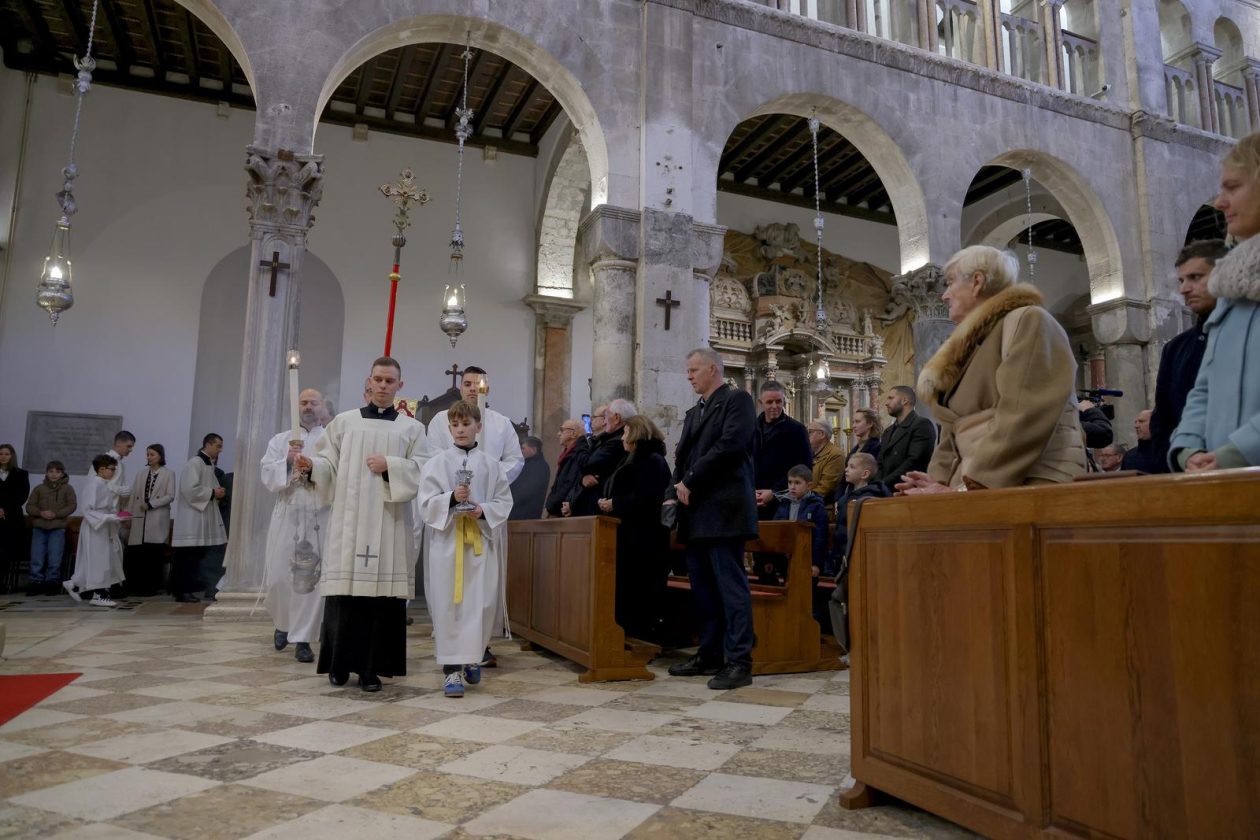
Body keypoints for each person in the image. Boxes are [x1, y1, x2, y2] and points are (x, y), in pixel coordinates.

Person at [899, 245, 1086, 493]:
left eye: (951, 282)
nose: (944, 295)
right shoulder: (967, 346)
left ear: (977, 282)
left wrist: (969, 488)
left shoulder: (1029, 321)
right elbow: (951, 426)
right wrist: (937, 482)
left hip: (1029, 481)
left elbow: (1025, 412)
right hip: (978, 483)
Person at [297, 357, 428, 692]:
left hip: (389, 522)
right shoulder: (344, 423)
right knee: (344, 598)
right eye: (378, 380)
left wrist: (391, 465)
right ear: (369, 383)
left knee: (380, 602)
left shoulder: (411, 429)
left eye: (390, 381)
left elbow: (423, 470)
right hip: (349, 521)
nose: (383, 386)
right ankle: (338, 665)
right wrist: (311, 466)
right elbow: (328, 465)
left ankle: (371, 669)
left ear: (401, 385)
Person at [665, 348, 758, 690]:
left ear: (713, 370)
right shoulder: (694, 412)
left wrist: (691, 480)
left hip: (724, 508)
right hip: (696, 512)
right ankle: (709, 654)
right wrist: (673, 490)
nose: (689, 376)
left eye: (693, 370)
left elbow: (730, 446)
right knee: (704, 590)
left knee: (730, 588)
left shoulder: (737, 401)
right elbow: (682, 456)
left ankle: (739, 661)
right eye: (688, 371)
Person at [1171, 135, 1260, 472]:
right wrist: (1187, 447)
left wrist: (1236, 453)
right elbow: (1203, 388)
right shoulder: (1231, 287)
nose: (1220, 203)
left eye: (1233, 187)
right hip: (1223, 480)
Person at [427, 365, 525, 668]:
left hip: (485, 522)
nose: (472, 388)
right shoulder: (441, 421)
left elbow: (514, 460)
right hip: (449, 524)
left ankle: (480, 644)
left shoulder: (500, 424)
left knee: (482, 593)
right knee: (448, 591)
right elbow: (433, 462)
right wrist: (453, 498)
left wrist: (485, 489)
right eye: (467, 383)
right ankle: (448, 645)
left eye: (478, 385)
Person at [418, 400, 514, 698]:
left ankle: (471, 657)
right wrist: (449, 498)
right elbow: (425, 503)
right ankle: (451, 671)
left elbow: (504, 502)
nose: (460, 430)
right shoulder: (437, 463)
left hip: (479, 545)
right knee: (450, 605)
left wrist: (482, 510)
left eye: (466, 424)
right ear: (449, 429)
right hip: (448, 545)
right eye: (455, 425)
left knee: (480, 604)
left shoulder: (491, 465)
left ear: (478, 427)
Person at [262, 388, 331, 664]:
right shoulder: (281, 440)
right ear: (296, 407)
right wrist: (287, 462)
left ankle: (303, 638)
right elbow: (267, 473)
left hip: (319, 514)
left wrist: (314, 468)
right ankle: (282, 622)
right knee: (280, 574)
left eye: (314, 402)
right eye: (303, 402)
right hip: (288, 511)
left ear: (323, 407)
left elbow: (337, 472)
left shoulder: (330, 439)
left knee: (311, 580)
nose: (308, 407)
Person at [1150, 240, 1228, 468]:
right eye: (1182, 280)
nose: (1184, 288)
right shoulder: (1175, 348)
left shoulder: (1248, 332)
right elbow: (1163, 418)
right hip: (1187, 471)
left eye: (1195, 277)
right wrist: (1178, 461)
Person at [596, 414, 672, 641]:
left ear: (637, 433)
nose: (622, 438)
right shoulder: (630, 458)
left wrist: (615, 503)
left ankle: (640, 637)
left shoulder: (652, 460)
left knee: (640, 589)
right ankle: (624, 634)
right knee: (627, 588)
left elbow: (650, 497)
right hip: (626, 535)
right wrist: (604, 501)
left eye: (626, 433)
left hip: (644, 539)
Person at [64, 455, 127, 607]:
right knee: (98, 561)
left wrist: (115, 515)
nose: (113, 472)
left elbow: (106, 507)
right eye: (112, 469)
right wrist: (109, 517)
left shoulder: (103, 484)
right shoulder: (93, 485)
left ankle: (74, 583)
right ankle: (99, 595)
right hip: (95, 527)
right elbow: (87, 509)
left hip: (104, 526)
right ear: (102, 469)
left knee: (97, 560)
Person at [171, 434, 227, 603]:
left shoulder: (207, 463)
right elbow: (189, 489)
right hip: (191, 519)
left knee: (195, 557)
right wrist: (212, 492)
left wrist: (217, 492)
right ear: (208, 444)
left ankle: (188, 589)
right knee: (186, 557)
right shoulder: (195, 463)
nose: (220, 450)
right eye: (217, 446)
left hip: (200, 517)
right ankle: (181, 591)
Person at [753, 381, 812, 520]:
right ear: (760, 402)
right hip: (753, 500)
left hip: (784, 502)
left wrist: (774, 492)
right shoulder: (750, 428)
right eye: (769, 402)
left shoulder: (796, 430)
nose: (775, 406)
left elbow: (804, 467)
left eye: (779, 401)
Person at [570, 399, 636, 517]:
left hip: (605, 509)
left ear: (616, 418)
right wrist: (583, 478)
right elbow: (585, 468)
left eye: (606, 417)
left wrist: (581, 439)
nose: (604, 422)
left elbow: (588, 464)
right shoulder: (605, 440)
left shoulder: (616, 442)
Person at [123, 445, 175, 596]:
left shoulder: (168, 474)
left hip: (157, 517)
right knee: (137, 553)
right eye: (147, 454)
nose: (149, 457)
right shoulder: (141, 474)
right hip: (140, 517)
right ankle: (134, 586)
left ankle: (151, 587)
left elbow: (170, 495)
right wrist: (127, 516)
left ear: (160, 456)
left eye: (152, 454)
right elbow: (133, 496)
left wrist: (152, 504)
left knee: (153, 554)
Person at [25, 461, 76, 596]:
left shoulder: (68, 489)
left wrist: (56, 514)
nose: (54, 474)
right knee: (37, 557)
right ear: (47, 473)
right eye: (51, 471)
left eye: (57, 472)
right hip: (39, 528)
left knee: (55, 557)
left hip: (57, 528)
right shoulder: (39, 489)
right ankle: (35, 582)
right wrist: (40, 513)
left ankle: (52, 583)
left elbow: (71, 505)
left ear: (62, 474)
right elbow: (29, 506)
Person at [771, 464, 828, 578]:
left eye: (797, 483)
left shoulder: (816, 506)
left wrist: (816, 563)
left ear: (809, 485)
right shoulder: (783, 504)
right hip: (785, 557)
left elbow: (820, 537)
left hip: (806, 558)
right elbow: (775, 530)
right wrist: (770, 559)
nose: (792, 487)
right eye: (790, 482)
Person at [875, 386, 936, 492]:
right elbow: (880, 462)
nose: (886, 403)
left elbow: (914, 462)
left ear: (904, 400)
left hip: (908, 489)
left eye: (891, 398)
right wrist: (877, 485)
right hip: (884, 491)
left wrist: (883, 483)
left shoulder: (921, 425)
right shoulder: (888, 431)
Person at [831, 453, 889, 564]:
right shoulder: (846, 497)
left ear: (864, 474)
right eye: (847, 466)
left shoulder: (870, 498)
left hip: (858, 551)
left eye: (852, 467)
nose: (846, 470)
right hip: (843, 551)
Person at [0, 443, 31, 593]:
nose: (3, 456)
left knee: (8, 551)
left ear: (12, 456)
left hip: (12, 518)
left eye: (7, 454)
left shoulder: (21, 474)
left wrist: (4, 509)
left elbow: (22, 496)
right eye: (1, 454)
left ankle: (6, 583)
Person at [544, 419, 588, 517]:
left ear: (573, 434)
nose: (558, 433)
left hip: (565, 510)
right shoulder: (569, 453)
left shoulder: (579, 453)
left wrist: (551, 506)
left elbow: (568, 484)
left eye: (562, 430)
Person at [836, 408, 883, 498]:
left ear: (870, 424)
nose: (853, 426)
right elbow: (844, 476)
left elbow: (874, 476)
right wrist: (839, 496)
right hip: (849, 493)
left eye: (857, 422)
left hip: (865, 494)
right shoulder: (856, 448)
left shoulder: (876, 447)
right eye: (853, 422)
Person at [805, 420, 844, 521]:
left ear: (822, 434)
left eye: (810, 432)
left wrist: (802, 497)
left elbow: (826, 488)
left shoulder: (835, 455)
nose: (807, 434)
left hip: (823, 510)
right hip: (809, 506)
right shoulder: (811, 453)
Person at [508, 436, 549, 521]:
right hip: (518, 511)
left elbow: (527, 490)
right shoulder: (528, 464)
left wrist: (509, 502)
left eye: (523, 448)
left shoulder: (539, 467)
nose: (520, 451)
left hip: (525, 514)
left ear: (533, 449)